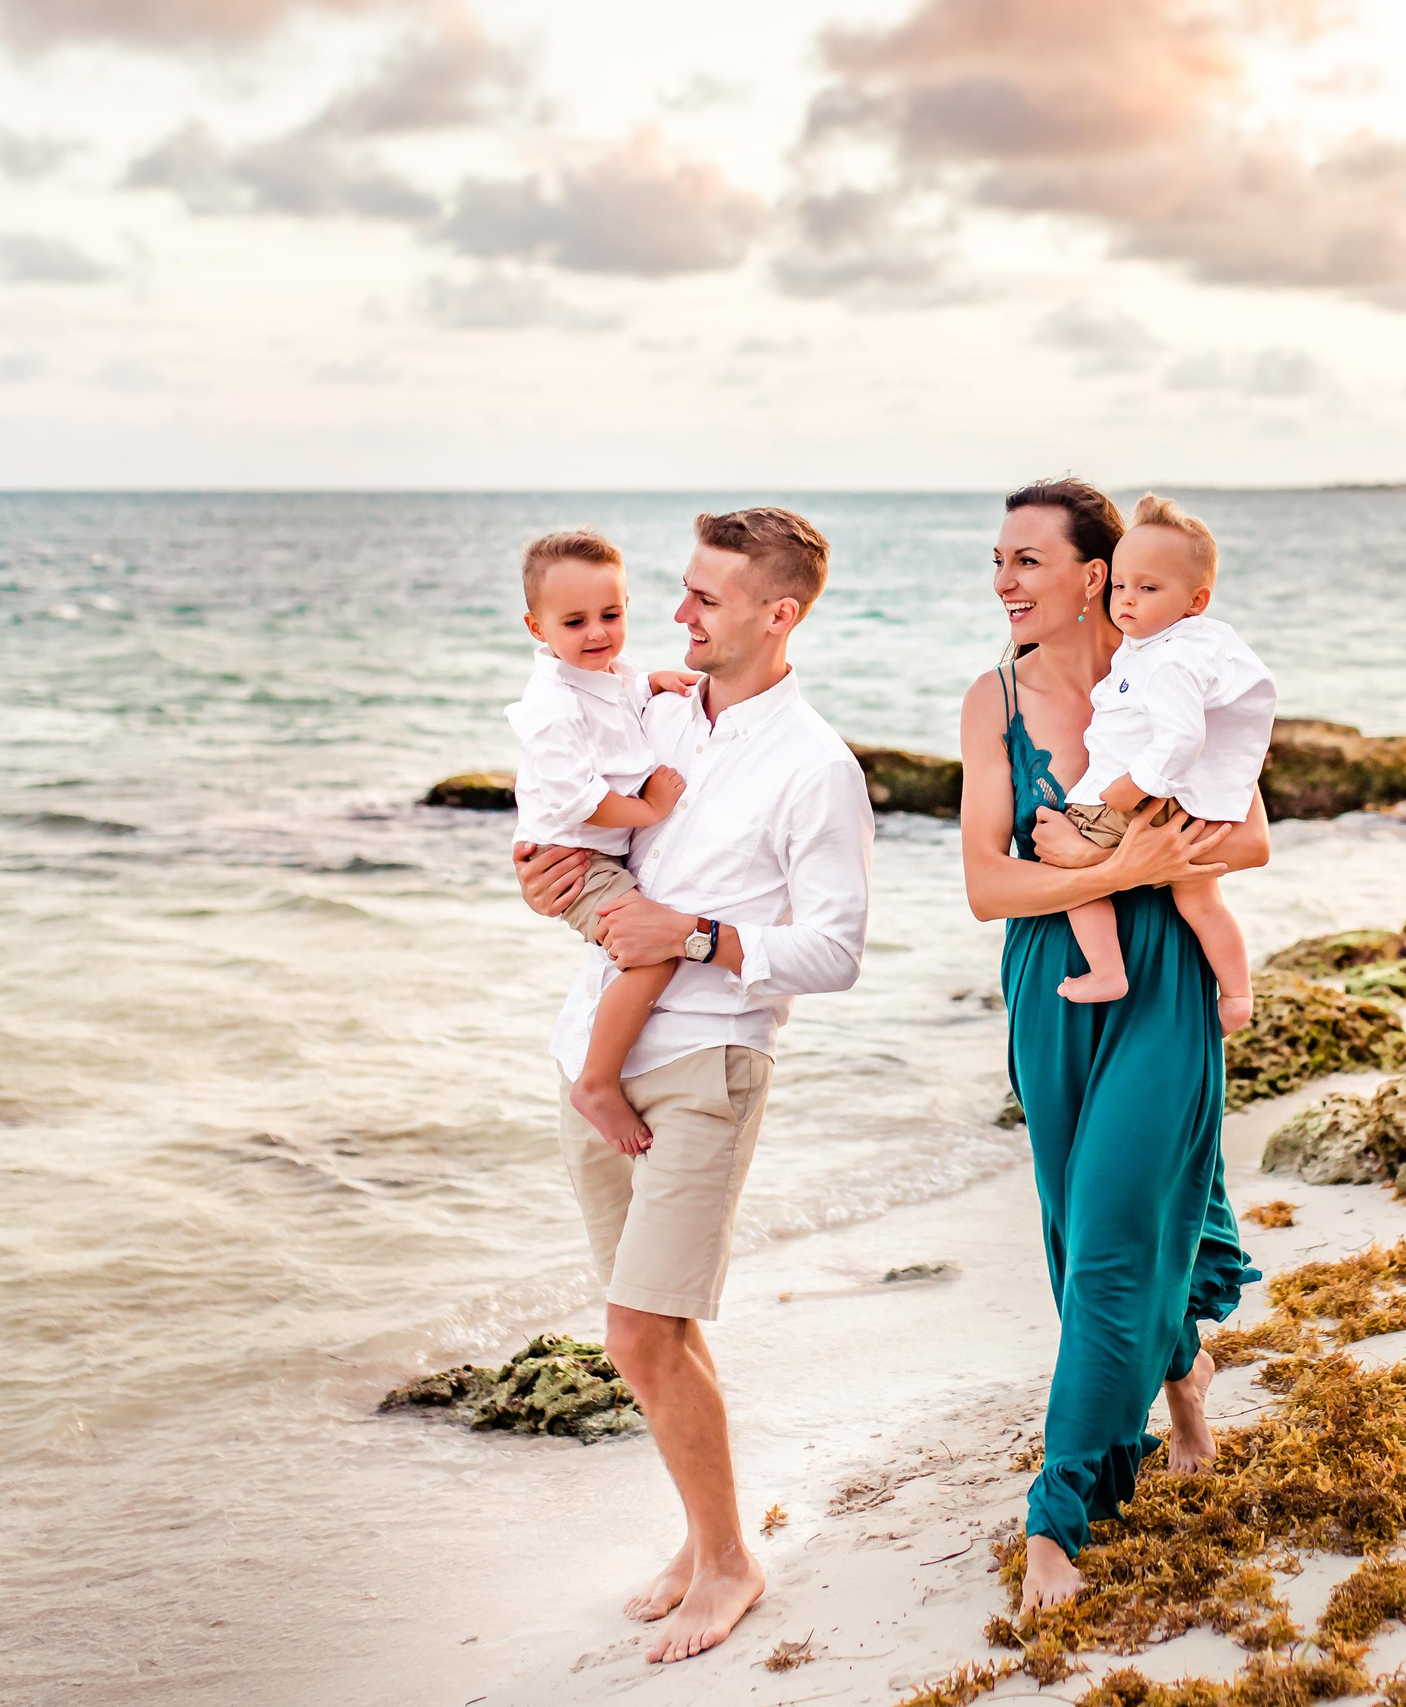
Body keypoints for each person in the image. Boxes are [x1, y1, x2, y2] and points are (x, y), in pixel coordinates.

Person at [512, 506, 873, 1665]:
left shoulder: (817, 769)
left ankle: (728, 1562)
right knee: (651, 1329)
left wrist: (702, 933)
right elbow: (593, 856)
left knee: (635, 1330)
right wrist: (547, 886)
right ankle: (704, 1537)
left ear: (779, 613)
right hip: (594, 1054)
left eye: (705, 597)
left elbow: (835, 952)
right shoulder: (654, 704)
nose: (677, 613)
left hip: (704, 1062)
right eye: (681, 588)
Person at [956, 477, 1268, 1613]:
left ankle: (1060, 1512)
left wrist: (1133, 869)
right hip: (1051, 980)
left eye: (1026, 560)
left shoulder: (1175, 674)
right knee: (1077, 1223)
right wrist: (1111, 867)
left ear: (1094, 576)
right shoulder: (989, 703)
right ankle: (1181, 1369)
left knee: (1112, 1237)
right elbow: (987, 886)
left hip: (1165, 976)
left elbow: (1255, 842)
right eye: (998, 560)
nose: (1003, 581)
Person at [1034, 494, 1275, 1034]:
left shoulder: (1169, 660)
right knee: (1202, 902)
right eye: (1121, 586)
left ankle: (1106, 969)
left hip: (1140, 798)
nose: (1127, 601)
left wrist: (1129, 787)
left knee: (1065, 861)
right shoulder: (1189, 647)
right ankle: (1236, 995)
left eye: (1148, 588)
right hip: (1181, 806)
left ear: (1195, 602)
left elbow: (1182, 735)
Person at [503, 528, 703, 1155]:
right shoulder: (550, 706)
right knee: (652, 954)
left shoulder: (609, 673)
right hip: (572, 856)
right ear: (537, 628)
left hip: (594, 853)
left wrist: (656, 683)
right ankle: (596, 1083)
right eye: (576, 622)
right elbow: (579, 798)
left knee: (647, 945)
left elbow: (622, 697)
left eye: (611, 615)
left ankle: (600, 1072)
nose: (597, 634)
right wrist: (651, 808)